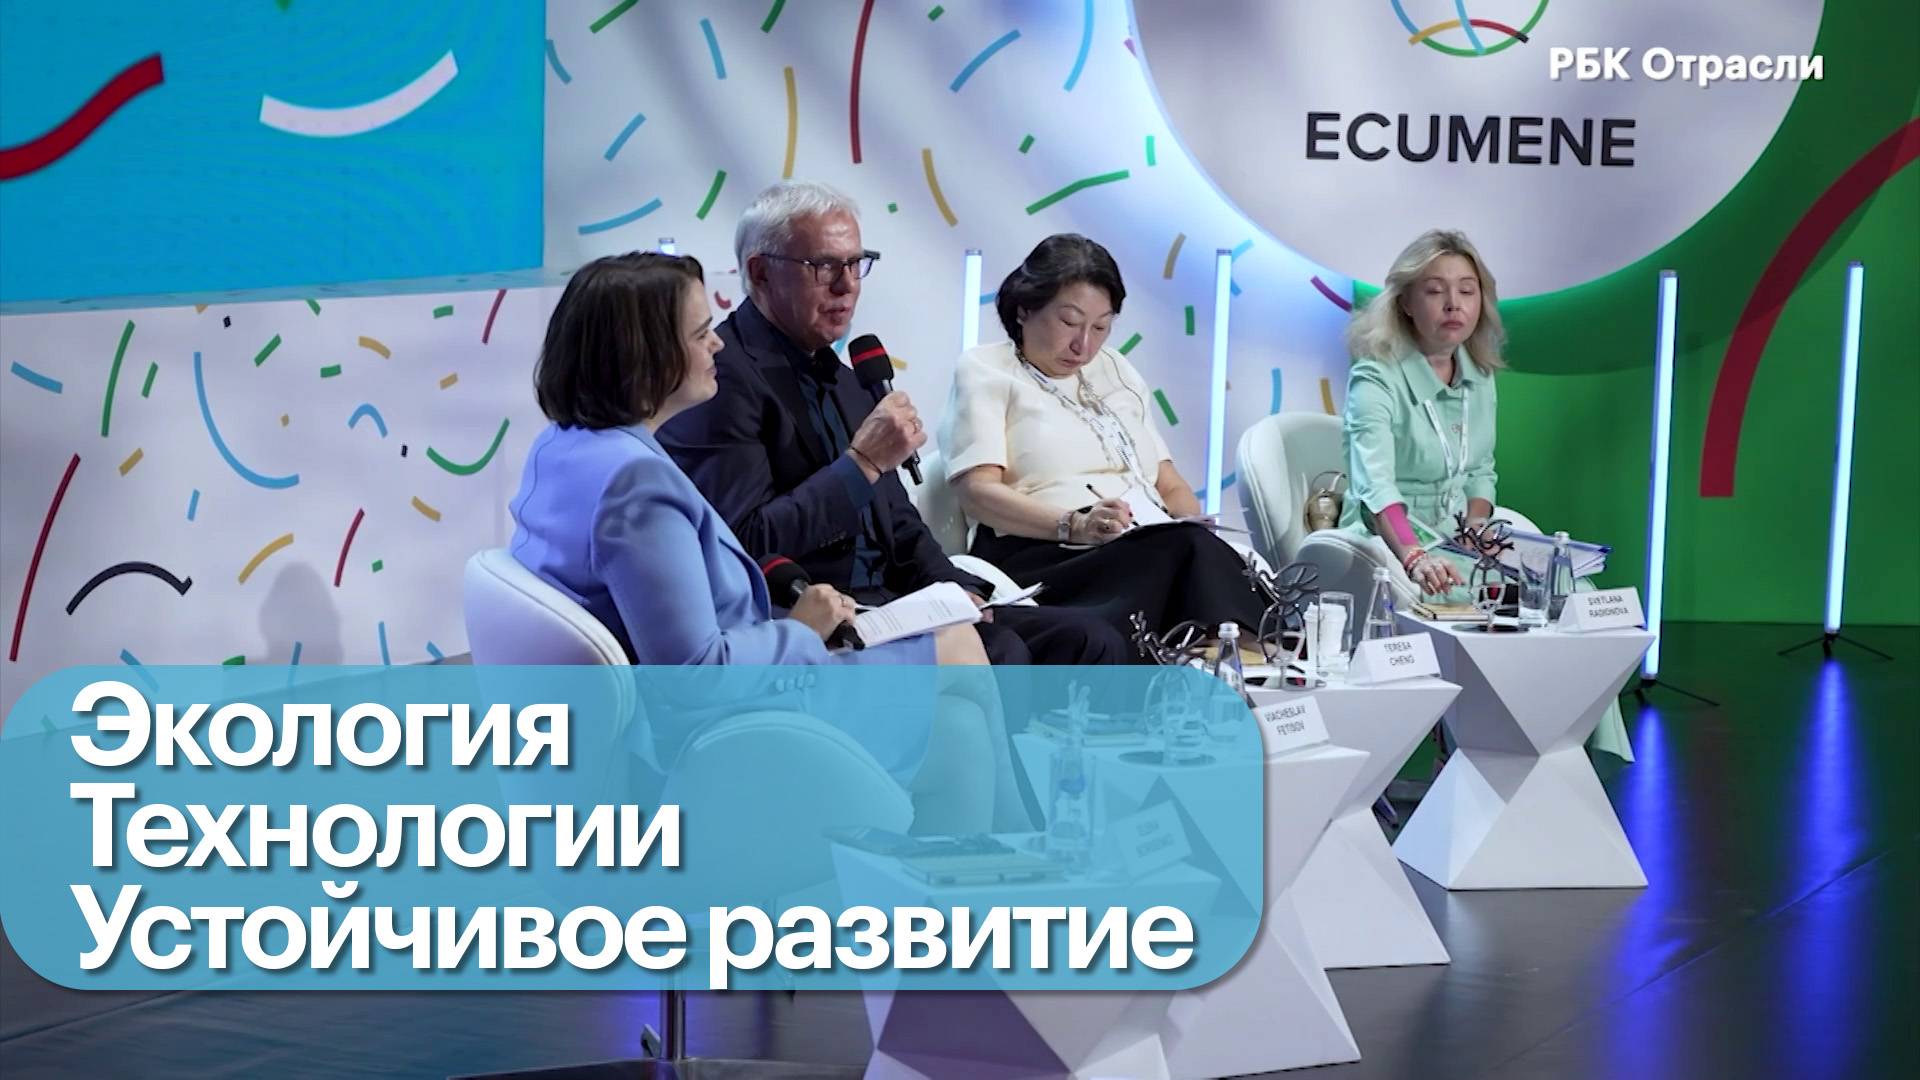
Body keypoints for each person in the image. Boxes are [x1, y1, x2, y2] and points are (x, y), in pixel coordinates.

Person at [507, 251, 1027, 831]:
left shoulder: (563, 446)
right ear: (645, 356)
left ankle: (1005, 855)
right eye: (700, 333)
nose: (718, 344)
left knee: (958, 727)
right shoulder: (637, 488)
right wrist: (803, 629)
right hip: (725, 726)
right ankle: (1025, 849)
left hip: (694, 710)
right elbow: (696, 675)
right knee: (958, 645)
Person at [657, 182, 1128, 668]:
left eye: (856, 264)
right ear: (760, 272)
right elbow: (745, 541)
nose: (847, 286)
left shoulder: (848, 378)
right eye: (824, 266)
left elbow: (899, 522)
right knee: (1001, 653)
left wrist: (954, 586)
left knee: (1089, 641)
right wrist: (860, 465)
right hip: (812, 616)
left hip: (897, 602)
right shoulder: (720, 379)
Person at [1341, 228, 1631, 762]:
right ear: (1405, 303)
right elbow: (1375, 487)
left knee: (1574, 590)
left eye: (1467, 290)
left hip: (1461, 535)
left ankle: (1566, 749)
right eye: (1435, 290)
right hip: (1395, 538)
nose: (1454, 304)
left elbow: (1481, 472)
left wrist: (1476, 528)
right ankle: (1485, 753)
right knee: (1478, 600)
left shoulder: (1479, 375)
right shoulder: (1375, 377)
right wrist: (1416, 555)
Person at [940, 233, 1269, 650]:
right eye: (1069, 322)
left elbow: (1168, 482)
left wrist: (1190, 521)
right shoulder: (987, 369)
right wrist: (1075, 525)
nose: (1084, 345)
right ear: (1024, 308)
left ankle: (1252, 653)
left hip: (1141, 542)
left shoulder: (1116, 368)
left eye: (1100, 327)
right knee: (1183, 554)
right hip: (1042, 549)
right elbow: (977, 493)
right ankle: (1252, 654)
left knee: (1210, 552)